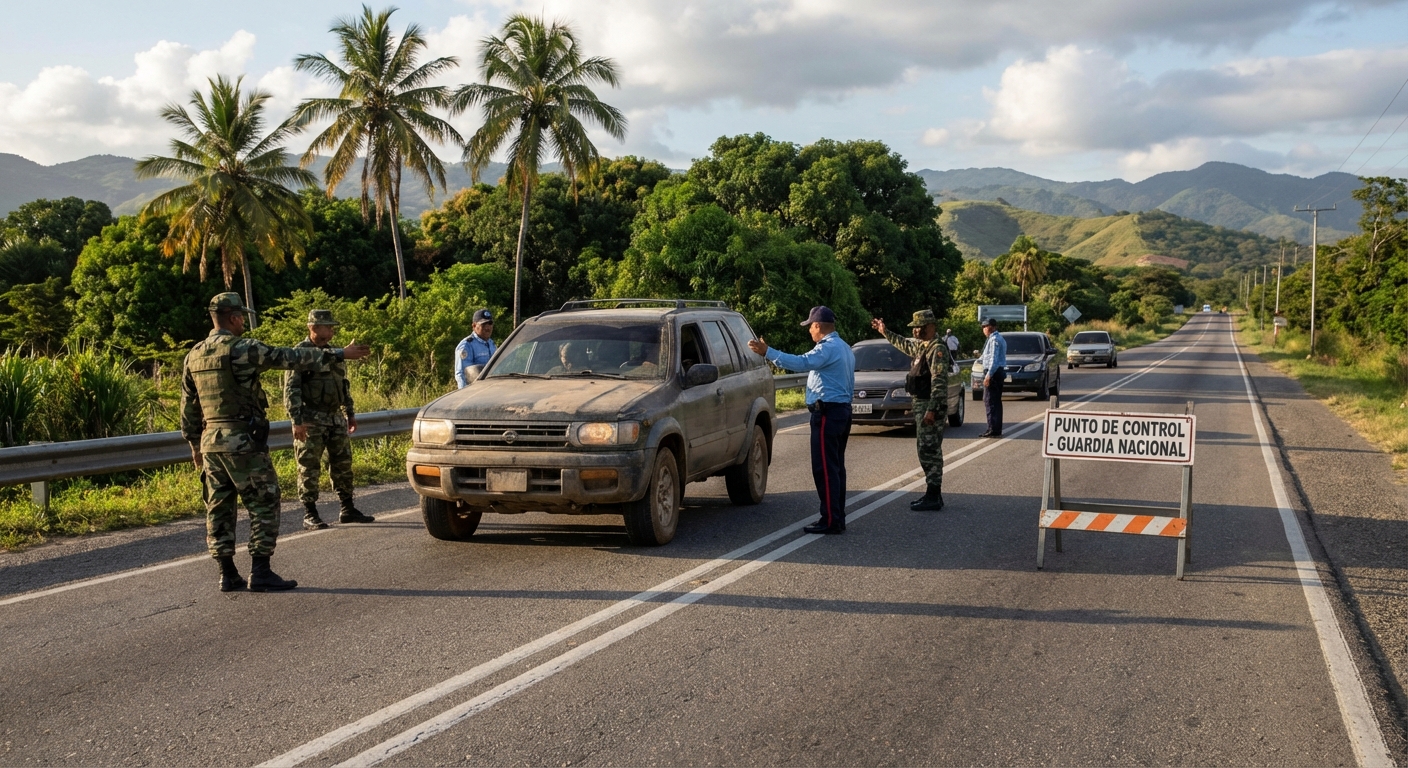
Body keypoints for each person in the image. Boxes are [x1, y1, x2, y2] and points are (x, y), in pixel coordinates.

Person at [180, 293, 370, 593]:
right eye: (242, 317)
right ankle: (260, 571)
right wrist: (338, 354)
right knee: (264, 502)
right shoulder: (243, 349)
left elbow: (188, 408)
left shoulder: (194, 355)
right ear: (233, 318)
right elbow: (289, 357)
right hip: (243, 441)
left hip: (211, 443)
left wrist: (194, 445)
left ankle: (227, 574)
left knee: (218, 508)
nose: (244, 322)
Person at [747, 306, 855, 534]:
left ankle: (831, 520)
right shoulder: (844, 347)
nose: (809, 332)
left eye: (810, 327)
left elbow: (801, 363)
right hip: (841, 411)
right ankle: (836, 516)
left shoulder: (826, 348)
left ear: (818, 325)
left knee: (824, 469)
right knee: (835, 468)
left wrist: (768, 352)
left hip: (827, 413)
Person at [284, 309, 375, 531]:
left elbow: (343, 385)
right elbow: (291, 389)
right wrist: (296, 420)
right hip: (311, 419)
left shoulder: (334, 353)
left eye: (333, 327)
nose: (332, 331)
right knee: (309, 467)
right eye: (328, 327)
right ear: (313, 327)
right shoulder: (300, 353)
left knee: (343, 464)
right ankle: (310, 513)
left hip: (335, 418)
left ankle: (347, 508)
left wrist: (349, 413)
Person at [872, 310, 949, 511]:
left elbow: (939, 383)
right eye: (914, 327)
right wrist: (884, 331)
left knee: (929, 450)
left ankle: (933, 495)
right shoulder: (922, 346)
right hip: (921, 404)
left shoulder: (937, 349)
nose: (915, 331)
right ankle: (933, 494)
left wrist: (932, 410)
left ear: (930, 326)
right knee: (925, 449)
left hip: (930, 405)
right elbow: (904, 344)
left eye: (918, 327)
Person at [978, 317, 1007, 438]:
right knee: (995, 401)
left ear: (993, 327)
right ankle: (996, 428)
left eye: (986, 326)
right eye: (983, 327)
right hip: (997, 372)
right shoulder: (996, 339)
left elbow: (994, 360)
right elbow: (987, 357)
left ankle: (993, 428)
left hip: (994, 373)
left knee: (990, 401)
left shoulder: (994, 340)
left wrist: (988, 375)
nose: (984, 329)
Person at [454, 309, 497, 388]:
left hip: (491, 389)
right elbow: (462, 375)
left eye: (490, 323)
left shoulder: (492, 344)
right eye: (483, 324)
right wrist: (466, 393)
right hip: (476, 390)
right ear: (474, 326)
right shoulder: (466, 345)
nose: (488, 327)